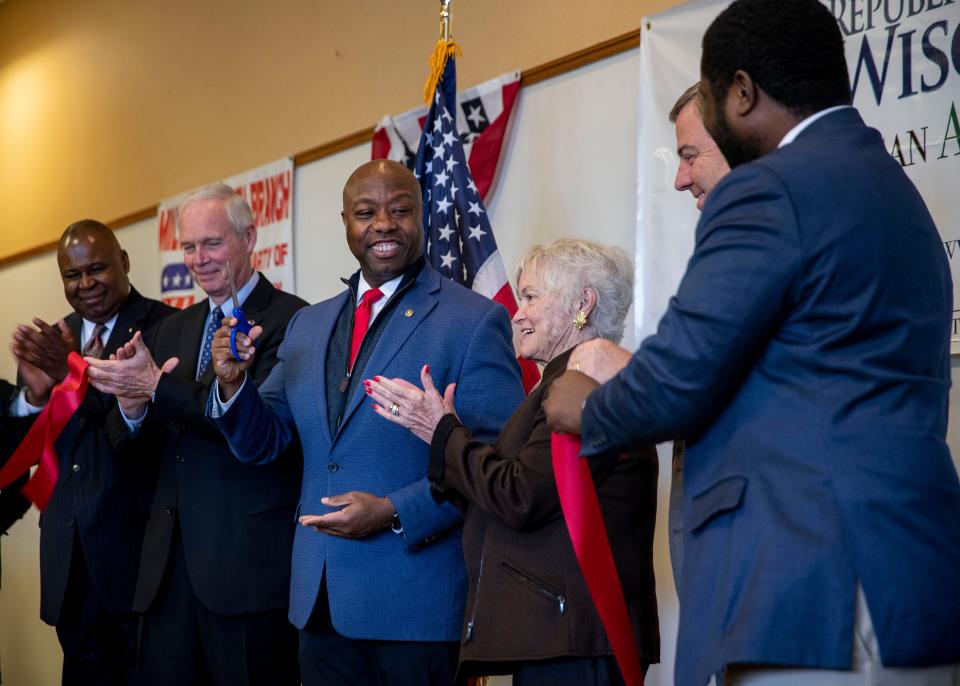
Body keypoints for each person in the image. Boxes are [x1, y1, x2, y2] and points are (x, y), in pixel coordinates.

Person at [545, 1, 960, 684]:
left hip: (810, 591)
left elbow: (678, 376)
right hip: (913, 584)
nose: (688, 164)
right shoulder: (897, 193)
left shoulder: (769, 190)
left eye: (707, 100)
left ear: (741, 91)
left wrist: (583, 406)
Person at [205, 159, 524, 685]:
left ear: (422, 216)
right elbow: (266, 442)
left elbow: (497, 459)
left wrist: (394, 511)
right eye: (366, 212)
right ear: (346, 222)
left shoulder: (472, 320)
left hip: (417, 609)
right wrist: (233, 386)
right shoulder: (308, 324)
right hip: (320, 604)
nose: (384, 224)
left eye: (401, 210)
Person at [367, 238, 660, 685]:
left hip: (579, 640)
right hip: (559, 637)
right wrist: (445, 433)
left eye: (530, 296)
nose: (516, 313)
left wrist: (441, 431)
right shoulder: (556, 385)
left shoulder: (588, 385)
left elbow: (521, 496)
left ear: (583, 303)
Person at [84, 185, 306, 686]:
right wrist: (133, 405)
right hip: (166, 574)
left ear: (249, 237)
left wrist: (158, 387)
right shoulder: (171, 329)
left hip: (245, 570)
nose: (198, 259)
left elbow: (258, 432)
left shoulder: (295, 321)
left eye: (211, 243)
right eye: (188, 247)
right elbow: (133, 448)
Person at [6, 220, 175, 685]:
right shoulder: (56, 337)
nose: (85, 285)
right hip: (68, 557)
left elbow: (151, 434)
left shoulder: (164, 327)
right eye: (72, 275)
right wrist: (36, 398)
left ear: (123, 263)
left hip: (135, 553)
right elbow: (31, 448)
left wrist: (72, 372)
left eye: (96, 269)